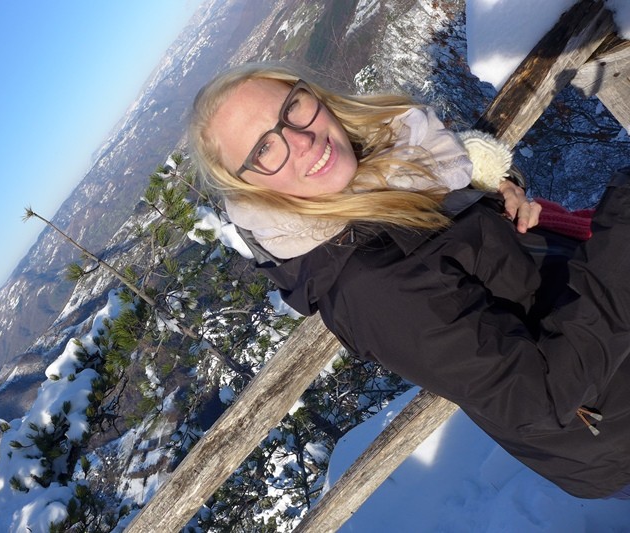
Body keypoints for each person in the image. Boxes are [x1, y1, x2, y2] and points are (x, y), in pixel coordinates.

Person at [188, 62, 630, 500]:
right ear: (249, 189)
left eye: (292, 108)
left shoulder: (379, 170)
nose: (301, 141)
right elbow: (540, 398)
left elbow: (455, 227)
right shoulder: (368, 286)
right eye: (264, 149)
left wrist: (500, 189)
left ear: (314, 95)